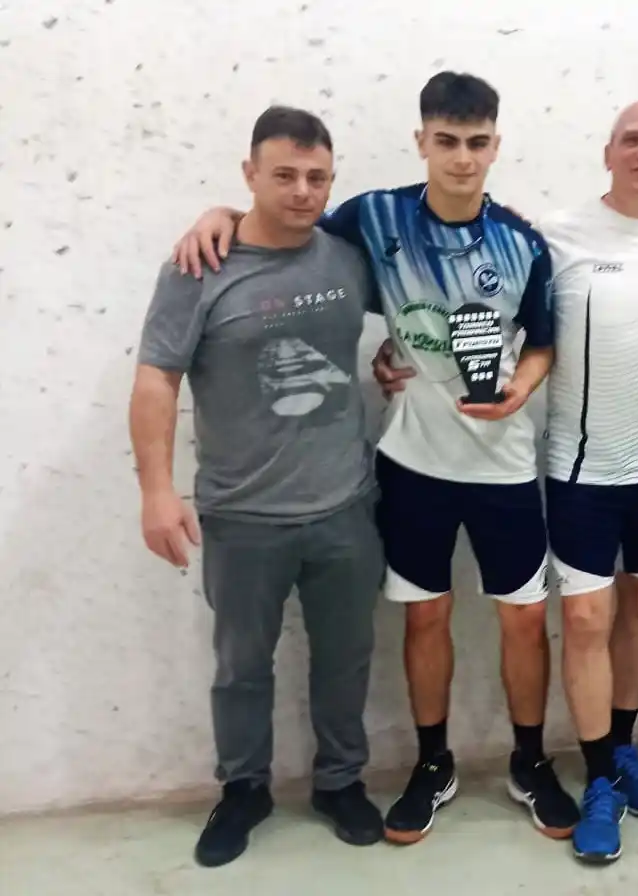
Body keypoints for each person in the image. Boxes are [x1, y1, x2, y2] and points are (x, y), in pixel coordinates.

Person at [167, 72, 579, 846]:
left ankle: (529, 760)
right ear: (422, 141)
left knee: (523, 625)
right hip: (412, 465)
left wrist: (519, 390)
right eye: (447, 142)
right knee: (425, 621)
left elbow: (546, 341)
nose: (462, 159)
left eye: (478, 143)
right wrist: (217, 212)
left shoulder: (521, 243)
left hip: (504, 468)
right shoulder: (374, 217)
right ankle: (433, 766)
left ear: (496, 145)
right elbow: (284, 229)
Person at [373, 100, 638, 865]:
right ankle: (597, 775)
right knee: (587, 623)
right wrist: (397, 357)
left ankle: (621, 749)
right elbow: (518, 332)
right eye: (631, 138)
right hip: (575, 466)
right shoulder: (552, 238)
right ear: (606, 151)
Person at [131, 106, 386, 868]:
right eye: (284, 175)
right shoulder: (197, 267)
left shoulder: (346, 256)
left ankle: (340, 783)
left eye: (317, 177)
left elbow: (423, 314)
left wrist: (398, 364)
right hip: (242, 517)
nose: (302, 191)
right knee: (242, 667)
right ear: (249, 175)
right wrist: (155, 490)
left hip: (345, 507)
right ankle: (243, 789)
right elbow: (154, 380)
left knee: (345, 658)